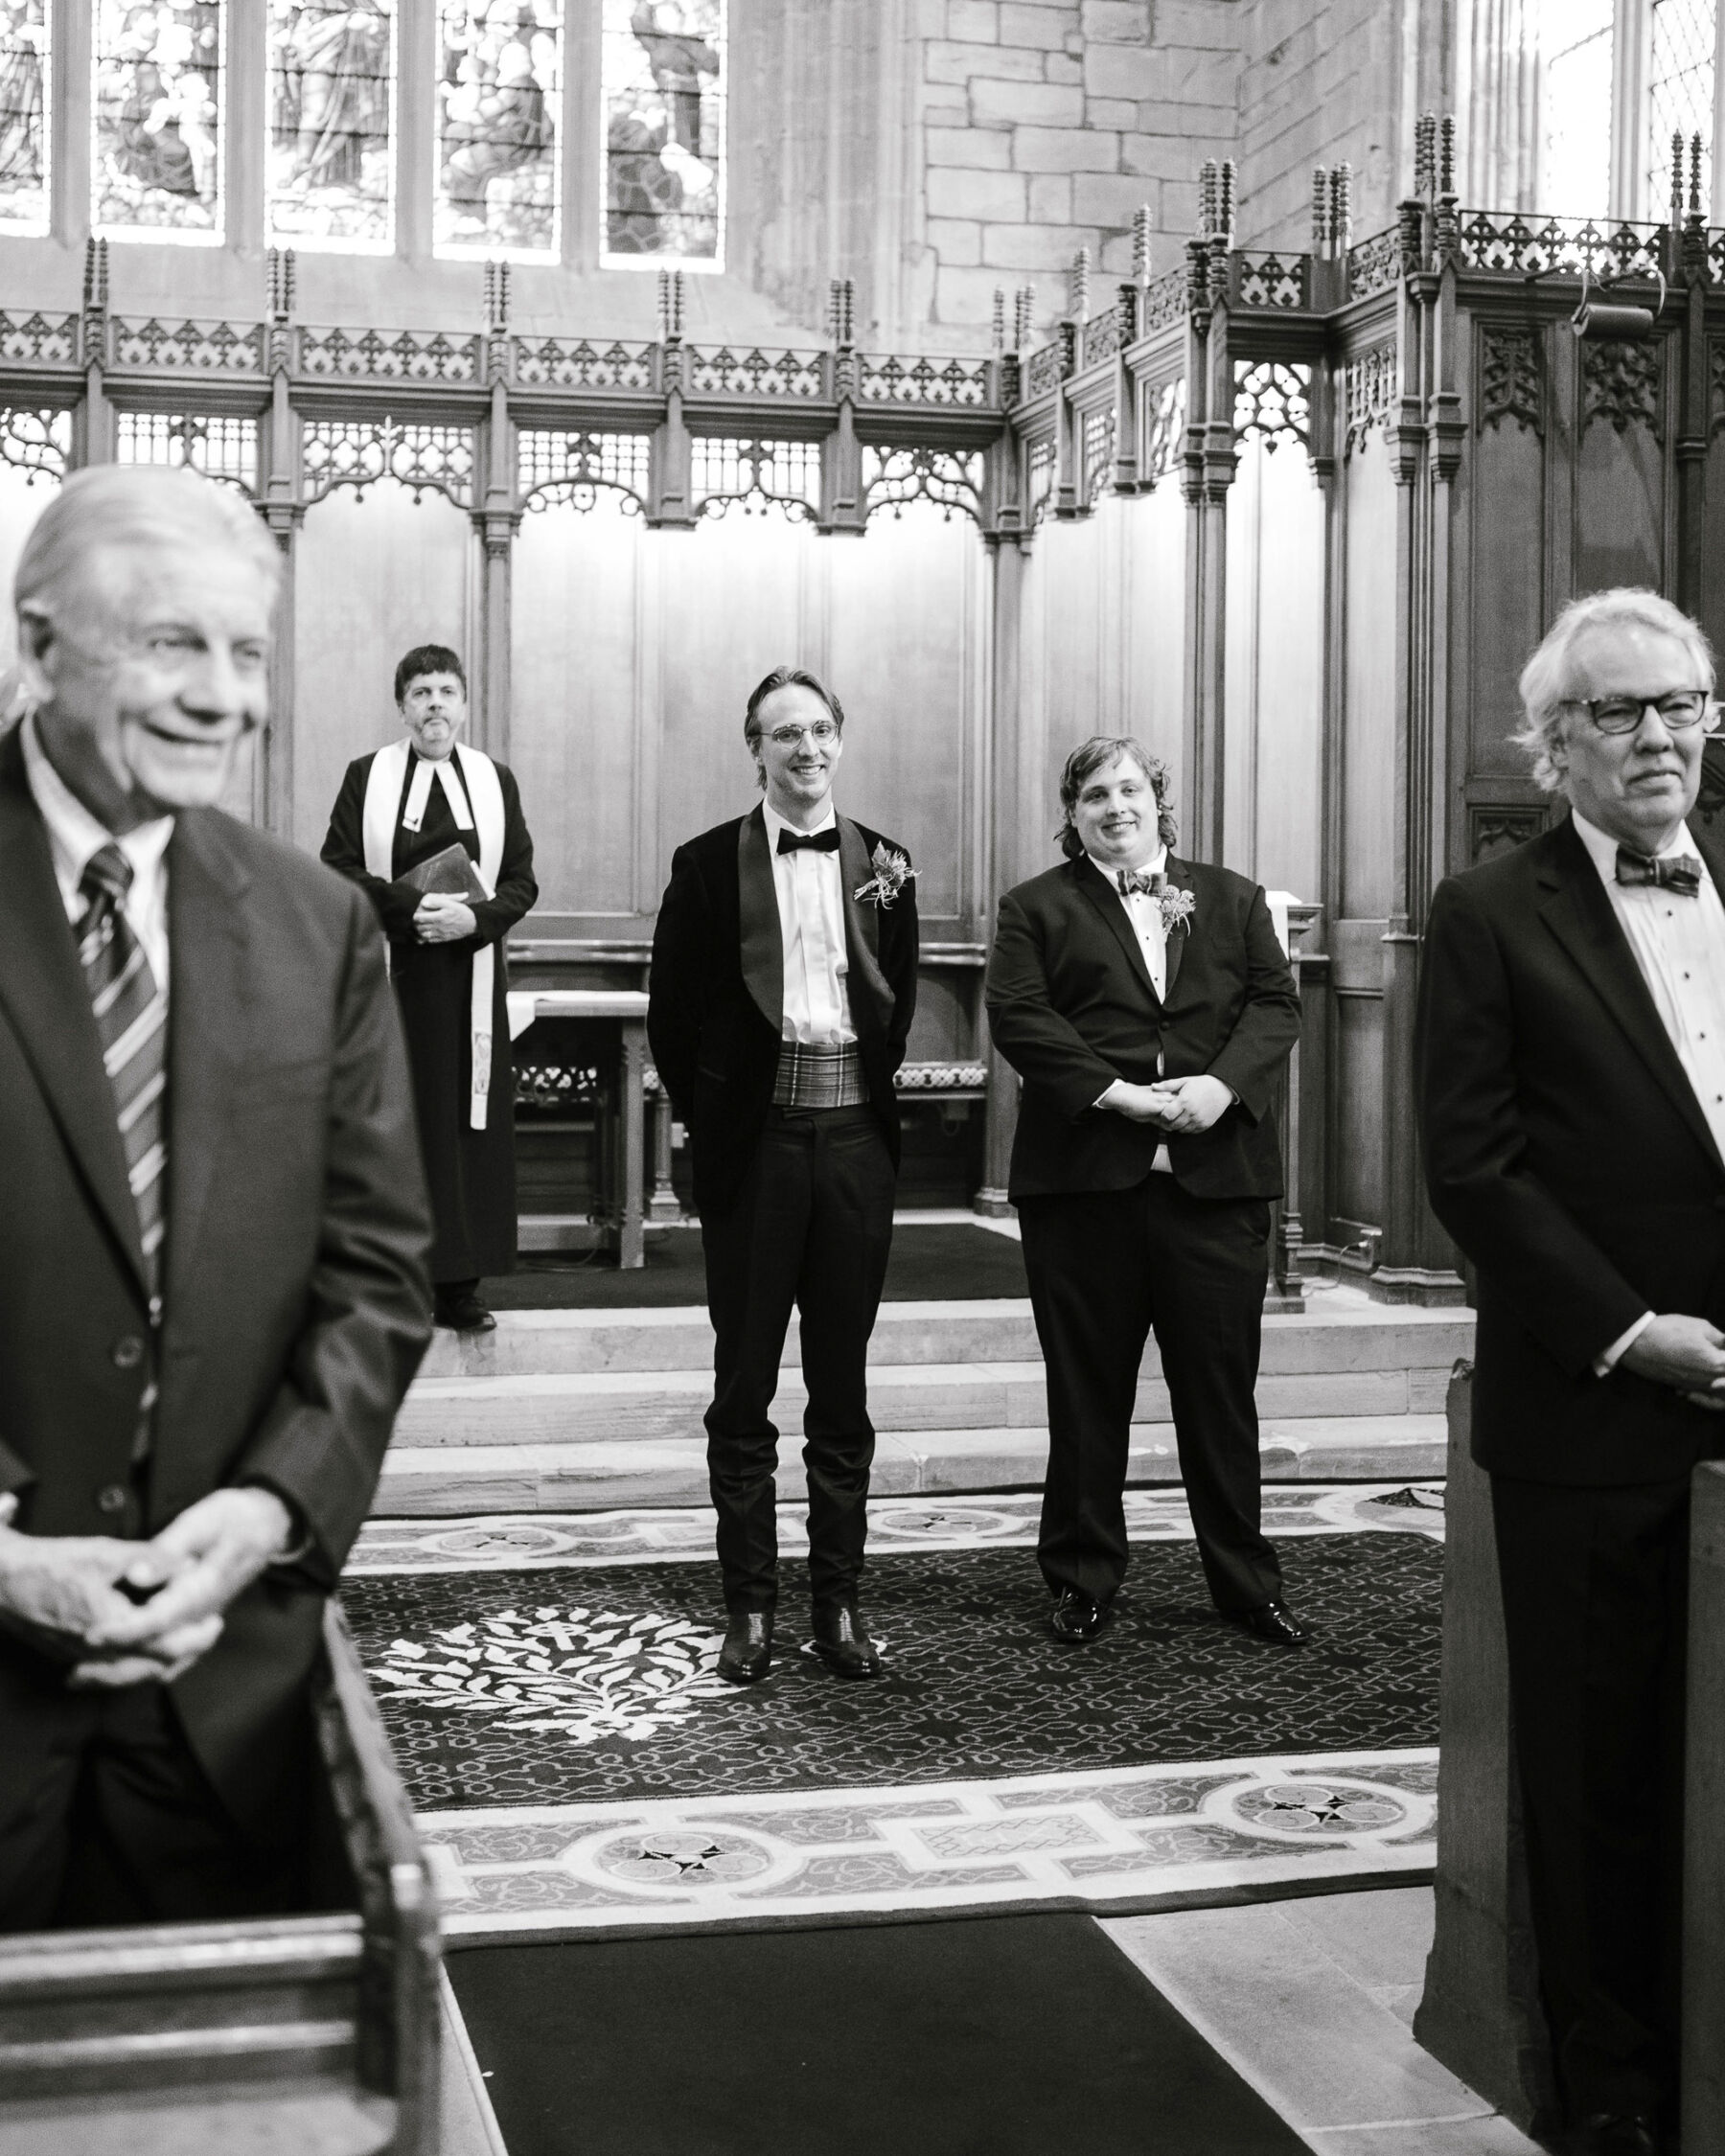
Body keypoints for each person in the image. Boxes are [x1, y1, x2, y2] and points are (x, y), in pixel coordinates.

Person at [0, 465, 432, 1929]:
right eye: (171, 644)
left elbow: (378, 1274)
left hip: (220, 1696)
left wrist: (265, 1511)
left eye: (246, 653)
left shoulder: (318, 926)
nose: (221, 696)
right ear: (42, 644)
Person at [1416, 587, 1725, 2156]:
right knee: (1598, 1773)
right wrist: (1630, 1331)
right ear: (1557, 745)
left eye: (1679, 704)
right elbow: (1473, 1173)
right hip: (1596, 1406)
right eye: (1618, 712)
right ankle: (1609, 2087)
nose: (1658, 735)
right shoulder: (1489, 913)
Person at [985, 736, 1304, 1647]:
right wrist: (1117, 1095)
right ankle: (1083, 1577)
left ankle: (1246, 1585)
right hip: (1087, 1187)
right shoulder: (1033, 907)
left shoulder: (1234, 896)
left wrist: (1220, 1086)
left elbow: (1275, 1006)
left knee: (1220, 1397)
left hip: (1215, 1187)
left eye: (1129, 788)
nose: (1114, 805)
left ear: (1159, 800)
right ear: (1073, 812)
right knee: (1086, 1395)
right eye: (1094, 794)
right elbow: (1019, 1016)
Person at [648, 666, 918, 1686]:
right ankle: (751, 1607)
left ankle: (838, 1604)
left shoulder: (886, 860)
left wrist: (855, 1102)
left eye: (819, 731)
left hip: (852, 1141)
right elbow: (672, 1012)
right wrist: (719, 1117)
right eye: (782, 734)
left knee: (841, 1385)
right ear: (753, 747)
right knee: (745, 1385)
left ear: (839, 740)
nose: (805, 749)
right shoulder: (708, 864)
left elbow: (895, 997)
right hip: (756, 1149)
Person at [322, 645, 538, 1334]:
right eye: (420, 692)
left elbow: (523, 882)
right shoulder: (368, 776)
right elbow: (338, 868)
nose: (435, 704)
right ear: (402, 706)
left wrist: (474, 919)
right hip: (397, 978)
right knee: (397, 1129)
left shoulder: (494, 780)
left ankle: (458, 1287)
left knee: (465, 1128)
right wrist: (409, 913)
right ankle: (391, 1282)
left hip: (470, 978)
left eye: (447, 691)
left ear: (466, 704)